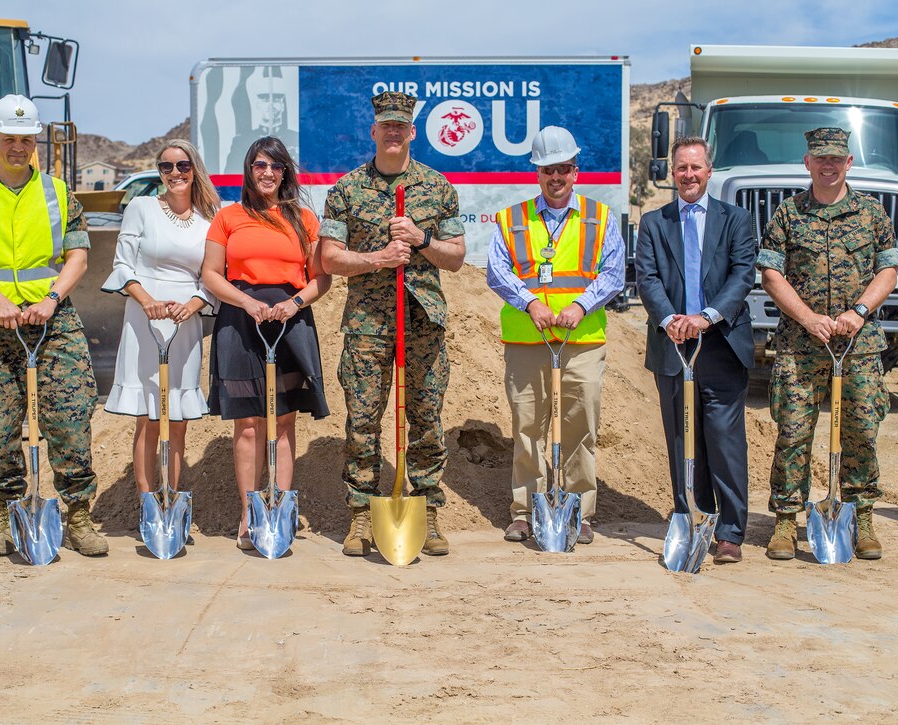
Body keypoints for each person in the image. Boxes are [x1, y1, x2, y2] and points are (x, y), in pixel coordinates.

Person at [0, 94, 106, 557]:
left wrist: (52, 298)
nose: (18, 147)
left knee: (71, 417)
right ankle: (9, 514)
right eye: (9, 139)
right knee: (1, 423)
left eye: (26, 140)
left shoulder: (59, 193)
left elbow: (78, 256)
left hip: (53, 322)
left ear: (36, 142)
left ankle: (77, 515)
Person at [320, 91, 466, 557]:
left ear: (412, 132)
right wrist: (379, 258)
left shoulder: (437, 187)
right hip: (367, 325)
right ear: (374, 131)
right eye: (387, 125)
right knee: (363, 422)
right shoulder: (346, 189)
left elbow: (457, 256)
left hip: (422, 322)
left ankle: (426, 510)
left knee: (426, 420)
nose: (394, 132)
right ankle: (361, 514)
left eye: (402, 125)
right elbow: (330, 258)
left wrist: (421, 239)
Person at [757, 127, 898, 561]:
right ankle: (786, 521)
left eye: (836, 159)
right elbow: (770, 274)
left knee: (861, 433)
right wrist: (807, 318)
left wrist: (858, 312)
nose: (828, 165)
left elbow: (888, 271)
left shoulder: (872, 214)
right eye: (820, 158)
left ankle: (861, 517)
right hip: (800, 347)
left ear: (848, 163)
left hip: (858, 345)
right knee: (793, 432)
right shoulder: (788, 214)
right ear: (808, 162)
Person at [487, 126, 624, 545]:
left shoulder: (600, 218)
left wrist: (579, 306)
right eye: (548, 169)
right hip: (528, 341)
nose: (556, 176)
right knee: (528, 427)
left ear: (575, 171)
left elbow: (614, 273)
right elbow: (497, 271)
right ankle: (526, 511)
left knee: (580, 427)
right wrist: (532, 303)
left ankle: (579, 511)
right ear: (537, 172)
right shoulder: (512, 218)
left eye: (563, 168)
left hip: (581, 342)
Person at [202, 136, 331, 551]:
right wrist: (248, 303)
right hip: (241, 322)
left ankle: (277, 507)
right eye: (260, 165)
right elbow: (211, 274)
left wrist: (294, 303)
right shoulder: (228, 217)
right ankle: (248, 513)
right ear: (249, 170)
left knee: (285, 419)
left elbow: (321, 277)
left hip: (290, 321)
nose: (268, 173)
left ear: (285, 172)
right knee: (248, 423)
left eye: (276, 166)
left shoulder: (304, 219)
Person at [635, 137, 757, 564]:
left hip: (721, 344)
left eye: (696, 167)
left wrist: (706, 317)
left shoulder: (736, 220)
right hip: (672, 345)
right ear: (673, 174)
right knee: (681, 439)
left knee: (723, 440)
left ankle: (729, 533)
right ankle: (689, 516)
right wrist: (671, 321)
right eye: (681, 168)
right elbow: (647, 278)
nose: (689, 175)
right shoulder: (654, 222)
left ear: (709, 170)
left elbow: (742, 276)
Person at [101, 140, 221, 502]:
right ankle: (146, 499)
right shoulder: (141, 208)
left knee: (179, 417)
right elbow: (122, 264)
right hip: (145, 318)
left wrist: (195, 304)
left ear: (194, 168)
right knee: (149, 416)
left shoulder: (210, 218)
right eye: (165, 167)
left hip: (185, 322)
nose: (174, 174)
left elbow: (213, 276)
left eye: (182, 166)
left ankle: (173, 496)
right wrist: (147, 300)